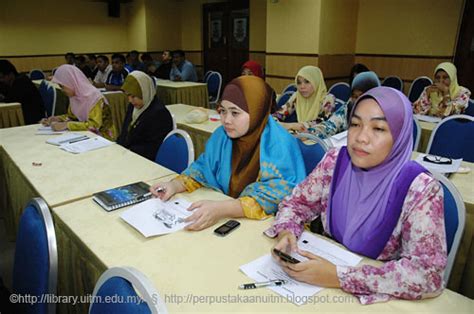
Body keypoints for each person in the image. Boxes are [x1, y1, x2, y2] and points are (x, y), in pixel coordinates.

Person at [267, 86, 446, 304]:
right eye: (355, 124)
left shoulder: (420, 189)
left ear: (399, 136)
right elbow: (296, 204)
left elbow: (427, 275)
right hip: (318, 285)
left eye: (378, 128)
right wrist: (287, 231)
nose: (361, 137)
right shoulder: (335, 162)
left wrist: (340, 277)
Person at [149, 76, 306, 230]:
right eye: (222, 111)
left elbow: (275, 199)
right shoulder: (222, 136)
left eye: (235, 113)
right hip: (226, 219)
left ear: (257, 110)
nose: (226, 120)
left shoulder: (280, 145)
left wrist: (222, 209)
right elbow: (202, 168)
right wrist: (174, 185)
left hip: (266, 229)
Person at [41, 64, 116, 140]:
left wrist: (67, 125)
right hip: (84, 136)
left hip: (102, 138)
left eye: (62, 86)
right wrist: (58, 119)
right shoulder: (75, 96)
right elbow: (73, 117)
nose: (62, 90)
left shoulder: (94, 97)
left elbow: (94, 126)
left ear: (71, 82)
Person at [117, 71, 173, 161]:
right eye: (128, 96)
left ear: (144, 91)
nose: (130, 100)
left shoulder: (159, 113)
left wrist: (127, 152)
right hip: (128, 156)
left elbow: (153, 148)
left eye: (133, 96)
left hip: (145, 161)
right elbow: (125, 132)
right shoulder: (133, 107)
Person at [310, 71, 381, 138]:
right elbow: (330, 125)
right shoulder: (348, 107)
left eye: (361, 96)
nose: (357, 100)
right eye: (355, 96)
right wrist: (311, 132)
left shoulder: (382, 111)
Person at [273, 66, 335, 133]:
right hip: (299, 135)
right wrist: (276, 121)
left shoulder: (328, 99)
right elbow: (281, 113)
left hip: (316, 138)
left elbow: (319, 123)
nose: (302, 86)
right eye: (299, 83)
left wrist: (291, 126)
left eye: (307, 82)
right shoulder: (297, 96)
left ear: (316, 81)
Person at [0, 60, 46, 124]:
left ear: (11, 74)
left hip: (32, 117)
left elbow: (10, 100)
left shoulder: (22, 82)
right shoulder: (8, 83)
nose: (1, 80)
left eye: (2, 77)